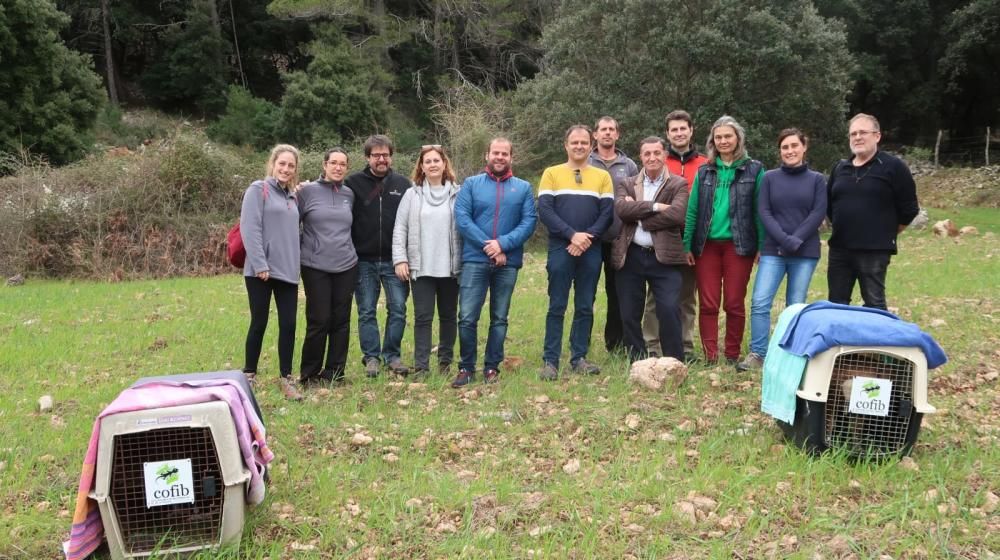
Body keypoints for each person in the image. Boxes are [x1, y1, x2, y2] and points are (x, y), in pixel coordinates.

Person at [737, 129, 826, 371]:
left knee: (795, 305)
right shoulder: (770, 178)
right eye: (785, 147)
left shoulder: (817, 179)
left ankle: (790, 356)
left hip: (805, 252)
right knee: (759, 302)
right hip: (773, 251)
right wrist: (784, 240)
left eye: (794, 146)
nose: (790, 151)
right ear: (780, 151)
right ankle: (758, 354)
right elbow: (764, 212)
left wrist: (795, 239)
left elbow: (818, 212)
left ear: (804, 147)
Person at [452, 137, 537, 387]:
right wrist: (490, 246)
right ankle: (467, 367)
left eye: (504, 153)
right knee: (467, 316)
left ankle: (492, 368)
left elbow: (529, 222)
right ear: (486, 155)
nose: (499, 157)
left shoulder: (522, 188)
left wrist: (503, 245)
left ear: (512, 157)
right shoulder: (471, 184)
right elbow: (463, 218)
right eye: (495, 153)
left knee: (499, 317)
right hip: (475, 260)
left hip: (507, 262)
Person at [682, 116, 765, 365]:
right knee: (708, 303)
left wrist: (762, 245)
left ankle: (731, 354)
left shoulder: (754, 169)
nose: (723, 141)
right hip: (706, 246)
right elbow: (693, 209)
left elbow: (759, 211)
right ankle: (710, 356)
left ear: (738, 138)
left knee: (733, 302)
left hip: (738, 246)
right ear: (713, 141)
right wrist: (687, 243)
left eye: (728, 136)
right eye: (718, 137)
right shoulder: (704, 171)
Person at [538, 124, 614, 380]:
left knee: (585, 304)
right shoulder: (551, 173)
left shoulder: (602, 176)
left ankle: (579, 357)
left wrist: (585, 238)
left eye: (584, 142)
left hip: (591, 247)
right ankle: (550, 360)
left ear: (590, 145)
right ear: (566, 145)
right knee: (557, 304)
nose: (579, 146)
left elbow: (607, 214)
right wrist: (572, 235)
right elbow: (546, 211)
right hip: (561, 246)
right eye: (575, 142)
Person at [826, 113, 918, 310]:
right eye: (853, 134)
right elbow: (830, 206)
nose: (857, 137)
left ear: (877, 136)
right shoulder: (840, 168)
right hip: (840, 249)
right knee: (836, 304)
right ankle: (841, 341)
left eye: (862, 132)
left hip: (874, 251)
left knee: (874, 304)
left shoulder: (894, 167)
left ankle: (878, 342)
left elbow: (909, 209)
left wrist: (886, 232)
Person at [611, 137, 689, 361]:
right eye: (647, 154)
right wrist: (654, 206)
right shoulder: (627, 183)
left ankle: (673, 360)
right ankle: (638, 359)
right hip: (631, 254)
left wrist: (641, 219)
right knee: (629, 311)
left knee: (669, 308)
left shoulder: (678, 184)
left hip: (664, 256)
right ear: (641, 157)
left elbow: (677, 215)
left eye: (657, 153)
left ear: (665, 155)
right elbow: (621, 210)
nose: (652, 158)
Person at [240, 144, 303, 400]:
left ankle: (286, 378)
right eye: (282, 164)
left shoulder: (292, 196)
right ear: (273, 163)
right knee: (259, 322)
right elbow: (250, 228)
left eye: (291, 166)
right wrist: (260, 264)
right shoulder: (258, 189)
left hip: (288, 270)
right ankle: (249, 375)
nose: (286, 169)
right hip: (260, 271)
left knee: (288, 324)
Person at [392, 145, 462, 376]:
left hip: (450, 268)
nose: (432, 164)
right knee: (422, 317)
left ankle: (444, 363)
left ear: (444, 164)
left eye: (436, 160)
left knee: (448, 316)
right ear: (421, 167)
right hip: (421, 267)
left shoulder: (458, 194)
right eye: (427, 161)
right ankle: (422, 366)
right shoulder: (412, 195)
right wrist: (400, 259)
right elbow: (400, 228)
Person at [347, 134, 412, 378]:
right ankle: (371, 357)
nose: (381, 159)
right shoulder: (353, 184)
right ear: (367, 157)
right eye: (376, 155)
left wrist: (405, 256)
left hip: (396, 261)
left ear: (391, 157)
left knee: (398, 308)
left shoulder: (403, 184)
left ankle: (392, 355)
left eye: (385, 155)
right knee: (366, 310)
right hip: (363, 260)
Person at [648, 110, 710, 358]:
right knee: (655, 297)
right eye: (674, 129)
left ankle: (685, 346)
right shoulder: (659, 163)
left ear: (691, 130)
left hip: (692, 241)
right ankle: (652, 345)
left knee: (686, 297)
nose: (679, 133)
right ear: (667, 134)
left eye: (683, 128)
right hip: (661, 240)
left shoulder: (705, 165)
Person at [297, 147, 359, 385]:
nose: (338, 167)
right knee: (319, 319)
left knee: (341, 319)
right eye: (333, 163)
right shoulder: (307, 191)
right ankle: (310, 374)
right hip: (315, 265)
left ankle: (334, 372)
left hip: (346, 264)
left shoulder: (349, 194)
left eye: (342, 164)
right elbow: (292, 223)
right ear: (324, 165)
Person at [589, 116, 639, 354]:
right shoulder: (584, 160)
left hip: (619, 239)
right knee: (586, 294)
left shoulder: (628, 165)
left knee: (617, 294)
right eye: (603, 129)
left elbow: (636, 198)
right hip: (589, 240)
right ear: (595, 134)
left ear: (617, 134)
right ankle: (582, 345)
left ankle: (615, 344)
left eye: (611, 129)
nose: (607, 133)